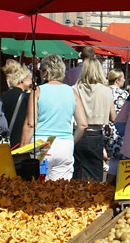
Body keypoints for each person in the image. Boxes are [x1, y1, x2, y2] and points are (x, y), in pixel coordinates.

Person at [21, 53, 87, 181]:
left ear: (45, 72)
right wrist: (70, 141)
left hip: (41, 143)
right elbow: (83, 124)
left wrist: (23, 149)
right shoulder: (71, 91)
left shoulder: (38, 91)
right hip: (65, 145)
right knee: (61, 191)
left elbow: (31, 124)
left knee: (37, 188)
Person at [73, 59, 116, 181]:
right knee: (95, 176)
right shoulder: (106, 90)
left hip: (77, 133)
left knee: (77, 174)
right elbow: (113, 117)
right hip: (96, 134)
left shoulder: (75, 89)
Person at [1, 60, 32, 148]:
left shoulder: (4, 95)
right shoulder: (27, 97)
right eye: (30, 78)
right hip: (19, 139)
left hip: (6, 138)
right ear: (23, 80)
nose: (32, 81)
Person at [105, 69, 129, 178]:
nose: (124, 80)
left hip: (103, 129)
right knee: (116, 160)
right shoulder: (124, 94)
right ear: (117, 80)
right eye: (122, 77)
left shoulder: (103, 91)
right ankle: (110, 186)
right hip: (118, 130)